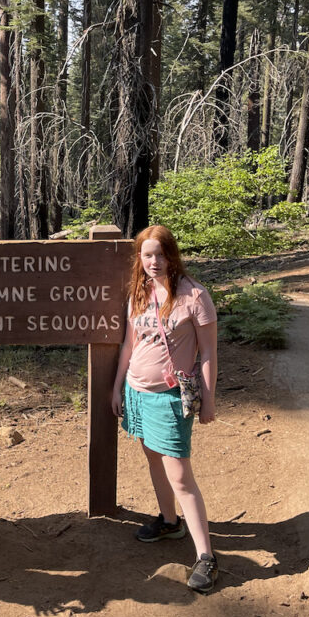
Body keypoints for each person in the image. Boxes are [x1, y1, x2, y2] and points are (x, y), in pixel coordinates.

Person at [112, 225, 219, 594]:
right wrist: (118, 388)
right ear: (139, 259)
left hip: (171, 397)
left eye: (160, 254)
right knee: (152, 457)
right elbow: (129, 345)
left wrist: (208, 398)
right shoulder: (139, 294)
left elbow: (208, 354)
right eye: (147, 255)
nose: (153, 262)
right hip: (137, 392)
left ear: (172, 255)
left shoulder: (195, 296)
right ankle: (170, 521)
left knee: (180, 476)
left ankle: (205, 555)